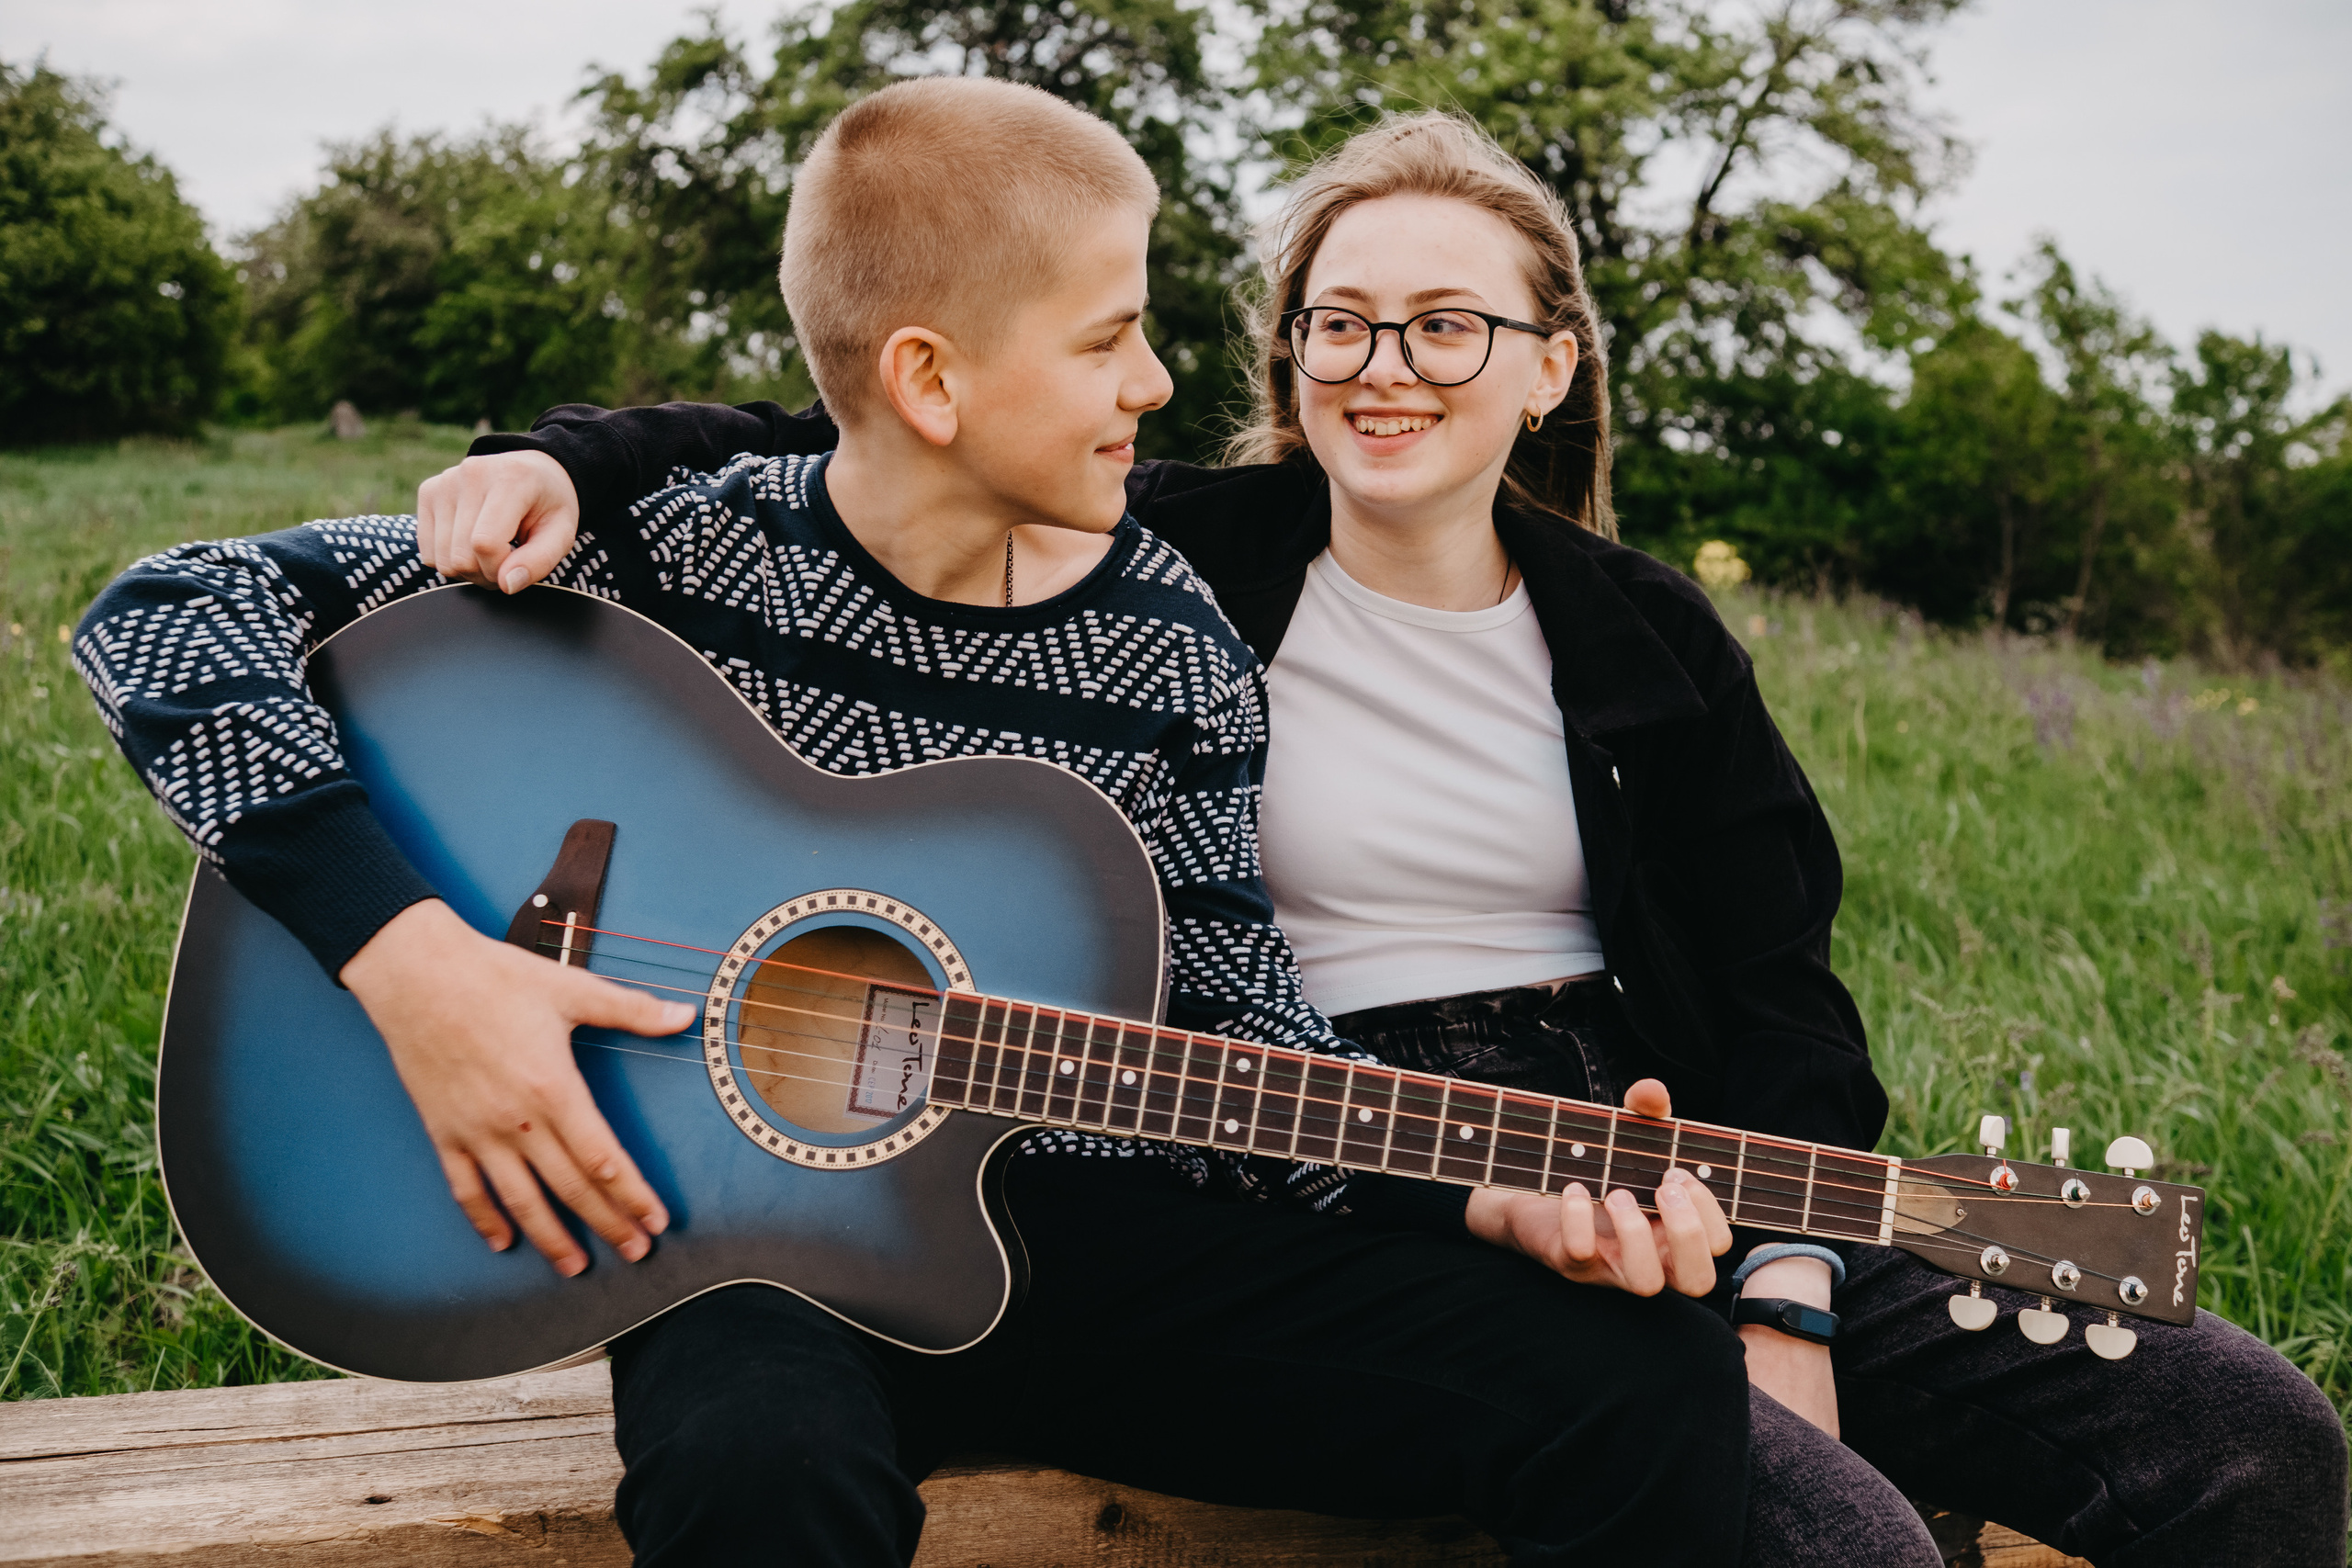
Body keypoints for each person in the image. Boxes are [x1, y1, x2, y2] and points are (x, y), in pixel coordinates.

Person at [435, 112, 2351, 1564]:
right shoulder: (1159, 549)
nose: (1383, 366)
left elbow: (1782, 1022)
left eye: (1445, 325)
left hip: (1650, 1141)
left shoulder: (1647, 637)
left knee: (2254, 1435)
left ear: (1547, 361)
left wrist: (1778, 1295)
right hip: (1316, 1146)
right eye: (1338, 322)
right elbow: (869, 406)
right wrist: (562, 460)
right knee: (1830, 1539)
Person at [77, 82, 1786, 1568]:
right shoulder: (661, 560)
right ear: (933, 381)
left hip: (1101, 1251)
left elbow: (1238, 1035)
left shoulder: (1170, 646)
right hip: (753, 1253)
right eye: (1111, 336)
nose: (1164, 378)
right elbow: (159, 614)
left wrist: (1487, 1193)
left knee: (1626, 1383)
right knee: (759, 1466)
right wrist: (420, 968)